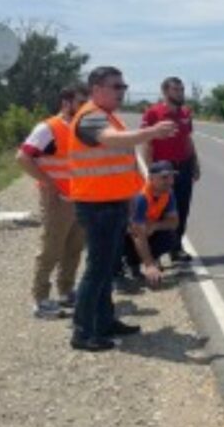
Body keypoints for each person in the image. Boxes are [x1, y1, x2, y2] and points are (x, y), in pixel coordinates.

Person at [68, 66, 176, 352]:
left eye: (123, 86)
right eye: (116, 86)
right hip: (96, 206)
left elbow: (121, 166)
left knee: (106, 270)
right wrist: (150, 132)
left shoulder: (108, 116)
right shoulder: (90, 117)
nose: (122, 91)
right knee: (97, 270)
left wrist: (131, 207)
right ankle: (83, 332)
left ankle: (104, 322)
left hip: (112, 204)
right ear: (96, 89)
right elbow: (110, 139)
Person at [16, 84, 89, 319]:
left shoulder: (80, 127)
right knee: (52, 248)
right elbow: (23, 157)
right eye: (81, 102)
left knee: (74, 247)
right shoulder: (48, 128)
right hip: (57, 199)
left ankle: (66, 291)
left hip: (79, 197)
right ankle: (41, 300)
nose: (85, 107)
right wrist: (49, 183)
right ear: (66, 103)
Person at [141, 77, 200, 264]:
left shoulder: (185, 113)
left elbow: (188, 140)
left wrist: (195, 164)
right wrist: (151, 171)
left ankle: (176, 248)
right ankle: (155, 253)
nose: (181, 93)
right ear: (165, 92)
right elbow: (147, 143)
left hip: (183, 167)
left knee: (181, 209)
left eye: (182, 89)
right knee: (159, 211)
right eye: (176, 90)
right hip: (162, 169)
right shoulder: (153, 113)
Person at [121, 161, 180, 289]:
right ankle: (132, 264)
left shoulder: (168, 193)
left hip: (148, 229)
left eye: (171, 177)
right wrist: (149, 265)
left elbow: (174, 222)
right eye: (164, 177)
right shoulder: (141, 197)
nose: (170, 181)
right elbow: (137, 235)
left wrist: (154, 226)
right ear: (151, 179)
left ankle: (150, 261)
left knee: (170, 237)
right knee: (125, 239)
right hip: (130, 234)